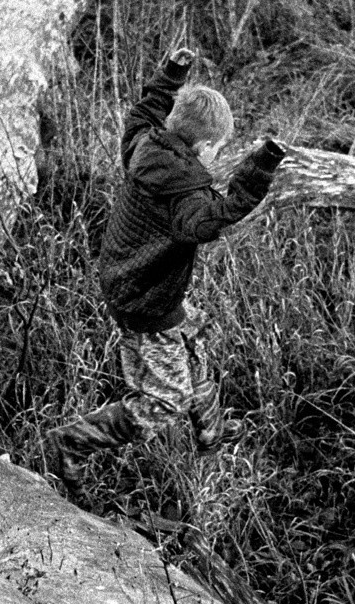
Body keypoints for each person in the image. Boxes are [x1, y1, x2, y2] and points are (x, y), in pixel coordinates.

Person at [47, 45, 286, 493]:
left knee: (192, 339)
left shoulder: (144, 142)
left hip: (132, 278)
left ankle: (212, 430)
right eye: (219, 150)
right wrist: (261, 166)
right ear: (204, 146)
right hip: (145, 298)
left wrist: (172, 74)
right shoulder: (185, 198)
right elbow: (221, 213)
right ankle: (72, 443)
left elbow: (144, 111)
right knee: (164, 400)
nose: (218, 158)